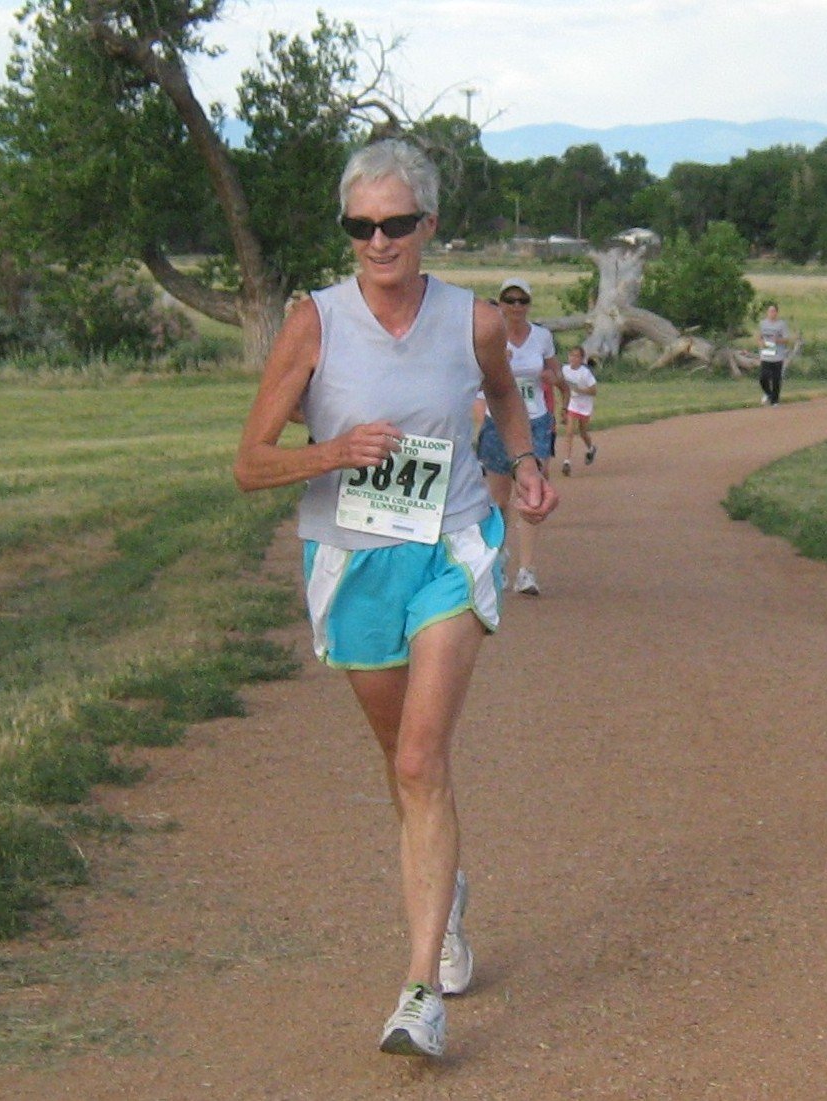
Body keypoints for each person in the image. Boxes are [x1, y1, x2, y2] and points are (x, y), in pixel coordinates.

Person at [233, 139, 557, 1061]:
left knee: (421, 757)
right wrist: (328, 453)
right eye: (360, 226)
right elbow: (250, 462)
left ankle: (420, 991)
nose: (379, 242)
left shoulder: (473, 321)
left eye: (396, 224)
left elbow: (502, 399)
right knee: (401, 761)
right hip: (351, 560)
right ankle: (444, 888)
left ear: (429, 226)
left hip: (449, 549)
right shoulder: (314, 323)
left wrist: (527, 464)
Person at [478, 277, 562, 595]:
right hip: (497, 422)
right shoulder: (490, 336)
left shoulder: (541, 336)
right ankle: (497, 556)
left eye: (522, 300)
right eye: (509, 300)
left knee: (531, 495)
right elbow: (473, 379)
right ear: (499, 303)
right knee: (498, 499)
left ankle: (526, 571)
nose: (516, 306)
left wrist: (549, 376)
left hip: (535, 420)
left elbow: (556, 372)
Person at [556, 344, 599, 475]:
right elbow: (560, 383)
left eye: (577, 356)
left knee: (583, 432)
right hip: (572, 404)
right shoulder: (564, 369)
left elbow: (594, 390)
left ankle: (591, 448)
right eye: (571, 355)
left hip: (584, 405)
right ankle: (567, 462)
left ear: (581, 359)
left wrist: (580, 390)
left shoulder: (585, 373)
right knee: (569, 432)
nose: (573, 359)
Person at [755, 303, 794, 406]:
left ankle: (775, 400)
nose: (771, 313)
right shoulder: (762, 324)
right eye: (769, 311)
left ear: (776, 313)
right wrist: (761, 343)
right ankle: (768, 394)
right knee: (763, 378)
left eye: (773, 311)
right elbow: (759, 337)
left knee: (776, 379)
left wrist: (777, 340)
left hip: (778, 355)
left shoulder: (781, 324)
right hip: (766, 354)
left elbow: (786, 339)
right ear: (767, 313)